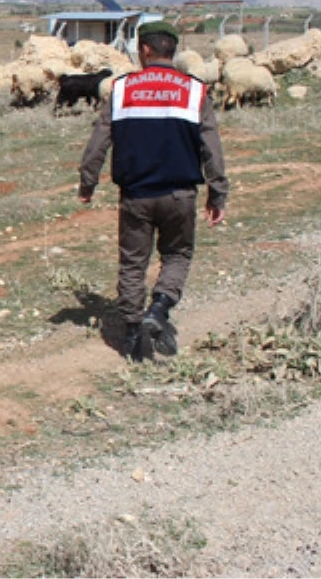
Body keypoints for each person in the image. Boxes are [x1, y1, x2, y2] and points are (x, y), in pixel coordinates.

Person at [78, 21, 229, 361]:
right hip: (180, 195)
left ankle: (133, 336)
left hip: (136, 195)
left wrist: (87, 183)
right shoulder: (194, 90)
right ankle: (159, 308)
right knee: (177, 255)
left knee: (133, 263)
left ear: (145, 49)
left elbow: (98, 143)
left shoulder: (121, 89)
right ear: (171, 50)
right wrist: (217, 193)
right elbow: (212, 148)